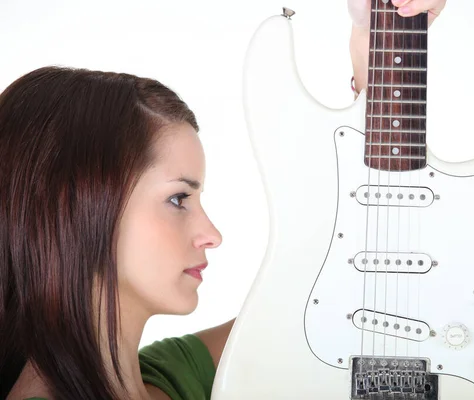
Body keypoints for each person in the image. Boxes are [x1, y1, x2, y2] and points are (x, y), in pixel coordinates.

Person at [0, 0, 446, 399]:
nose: (211, 234)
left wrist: (378, 51)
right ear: (71, 205)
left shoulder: (179, 374)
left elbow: (348, 307)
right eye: (178, 199)